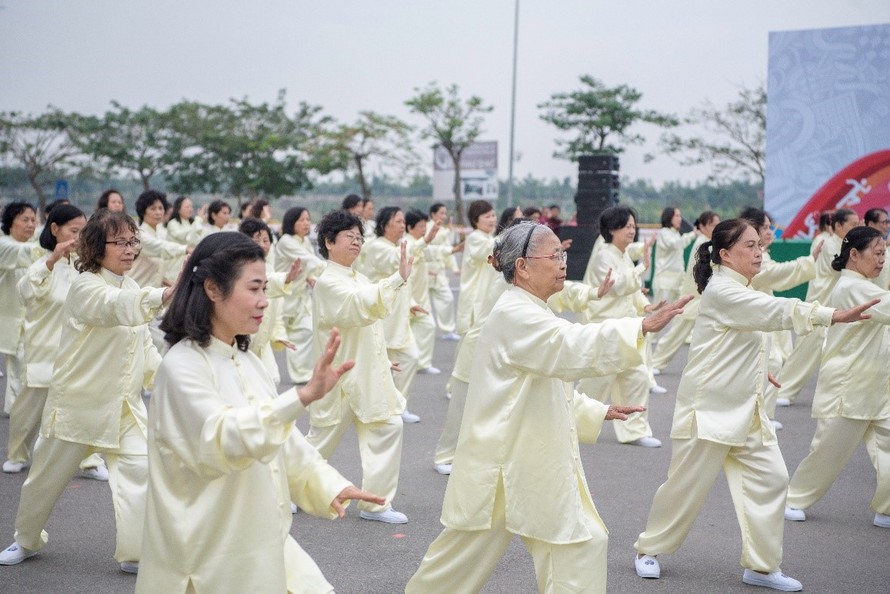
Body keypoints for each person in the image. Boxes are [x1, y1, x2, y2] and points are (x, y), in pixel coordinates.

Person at [406, 222, 689, 594]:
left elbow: (542, 381)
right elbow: (567, 346)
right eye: (554, 255)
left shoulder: (530, 309)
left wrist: (593, 409)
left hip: (520, 460)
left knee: (578, 542)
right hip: (504, 464)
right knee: (456, 563)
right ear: (522, 266)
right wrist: (639, 327)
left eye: (563, 254)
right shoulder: (514, 313)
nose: (562, 262)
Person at [633, 218, 874, 592]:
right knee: (684, 487)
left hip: (746, 409)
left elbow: (744, 337)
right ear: (725, 255)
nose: (759, 252)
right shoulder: (723, 290)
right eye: (750, 246)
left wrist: (763, 372)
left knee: (772, 480)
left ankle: (761, 566)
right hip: (710, 409)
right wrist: (832, 315)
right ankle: (649, 549)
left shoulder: (741, 287)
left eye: (759, 245)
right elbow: (772, 312)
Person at [135, 232, 385, 594]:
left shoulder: (246, 360)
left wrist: (329, 484)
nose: (264, 302)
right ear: (212, 289)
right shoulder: (182, 367)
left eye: (266, 289)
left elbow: (285, 441)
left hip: (264, 539)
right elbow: (220, 440)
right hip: (211, 552)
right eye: (254, 289)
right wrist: (300, 397)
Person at [0, 210, 177, 573]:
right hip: (78, 406)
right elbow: (113, 309)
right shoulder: (86, 285)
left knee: (140, 475)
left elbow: (145, 350)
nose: (130, 250)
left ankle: (135, 553)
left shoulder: (129, 287)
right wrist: (162, 295)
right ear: (97, 248)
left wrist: (173, 386)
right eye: (120, 242)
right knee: (44, 482)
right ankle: (26, 539)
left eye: (133, 241)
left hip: (124, 408)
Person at [306, 209, 412, 524]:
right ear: (328, 241)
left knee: (388, 426)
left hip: (365, 375)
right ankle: (285, 489)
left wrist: (382, 359)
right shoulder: (328, 281)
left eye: (359, 237)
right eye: (349, 237)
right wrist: (397, 278)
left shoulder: (359, 277)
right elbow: (357, 307)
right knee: (320, 442)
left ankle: (376, 505)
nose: (357, 242)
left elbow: (369, 324)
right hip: (338, 377)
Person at [785, 226, 890, 529]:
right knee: (827, 452)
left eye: (884, 254)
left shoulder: (865, 284)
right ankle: (794, 498)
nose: (882, 260)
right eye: (878, 253)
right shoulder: (851, 286)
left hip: (873, 385)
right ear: (854, 255)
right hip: (849, 385)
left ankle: (885, 507)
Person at [4, 205, 106, 479]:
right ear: (54, 229)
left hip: (78, 351)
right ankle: (17, 453)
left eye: (84, 231)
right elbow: (24, 293)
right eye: (75, 230)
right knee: (30, 409)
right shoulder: (42, 260)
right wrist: (51, 262)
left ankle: (90, 460)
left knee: (84, 406)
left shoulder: (86, 267)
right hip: (44, 349)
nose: (80, 236)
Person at [578, 205, 662, 447]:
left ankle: (634, 431)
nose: (632, 231)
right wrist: (642, 267)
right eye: (627, 226)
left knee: (636, 376)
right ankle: (573, 422)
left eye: (634, 226)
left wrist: (645, 306)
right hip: (605, 328)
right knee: (596, 381)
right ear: (612, 229)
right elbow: (617, 285)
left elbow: (631, 290)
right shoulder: (603, 253)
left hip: (626, 326)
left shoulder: (622, 253)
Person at [434, 200, 503, 475]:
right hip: (474, 310)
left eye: (493, 214)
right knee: (464, 370)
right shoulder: (477, 240)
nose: (491, 218)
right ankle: (445, 455)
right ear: (475, 220)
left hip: (486, 313)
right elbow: (493, 251)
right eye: (486, 215)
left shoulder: (489, 239)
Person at [741, 207, 821, 430]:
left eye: (769, 227)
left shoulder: (761, 254)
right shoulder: (751, 256)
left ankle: (761, 417)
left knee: (771, 362)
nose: (769, 232)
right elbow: (774, 274)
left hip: (765, 312)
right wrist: (809, 261)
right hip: (755, 313)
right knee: (769, 362)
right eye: (765, 227)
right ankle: (758, 418)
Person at [775, 208, 860, 407]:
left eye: (859, 224)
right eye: (854, 224)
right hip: (820, 306)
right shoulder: (830, 244)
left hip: (837, 309)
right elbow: (840, 267)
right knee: (805, 353)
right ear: (837, 225)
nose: (857, 228)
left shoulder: (843, 243)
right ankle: (783, 390)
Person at [359, 206, 437, 423]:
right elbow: (398, 260)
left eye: (404, 222)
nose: (403, 226)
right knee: (377, 367)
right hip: (382, 319)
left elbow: (402, 282)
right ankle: (373, 409)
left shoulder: (393, 245)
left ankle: (398, 407)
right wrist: (424, 241)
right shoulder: (377, 247)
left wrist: (411, 303)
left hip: (399, 321)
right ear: (385, 225)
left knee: (410, 358)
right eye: (399, 222)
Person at [651, 211, 720, 373]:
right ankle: (654, 362)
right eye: (713, 224)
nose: (717, 227)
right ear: (702, 227)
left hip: (696, 293)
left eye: (718, 223)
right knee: (676, 330)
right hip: (691, 295)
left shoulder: (707, 242)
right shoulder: (701, 243)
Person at [404, 209, 462, 375]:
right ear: (410, 228)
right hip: (407, 297)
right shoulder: (408, 244)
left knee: (426, 326)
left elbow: (432, 252)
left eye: (425, 226)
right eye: (421, 227)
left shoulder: (419, 244)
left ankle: (420, 363)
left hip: (418, 296)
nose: (424, 230)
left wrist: (453, 250)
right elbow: (419, 250)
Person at [274, 206, 325, 384]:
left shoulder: (304, 242)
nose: (306, 223)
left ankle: (303, 374)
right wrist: (332, 270)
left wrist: (311, 278)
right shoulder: (286, 241)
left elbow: (308, 267)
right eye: (301, 220)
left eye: (308, 219)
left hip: (300, 298)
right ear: (291, 222)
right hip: (282, 298)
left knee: (308, 332)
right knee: (268, 339)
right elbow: (308, 260)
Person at [0, 201, 40, 415]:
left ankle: (18, 407)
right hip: (10, 318)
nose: (30, 224)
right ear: (10, 222)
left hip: (32, 319)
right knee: (18, 365)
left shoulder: (33, 244)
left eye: (33, 220)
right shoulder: (4, 244)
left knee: (26, 365)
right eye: (24, 220)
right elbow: (26, 252)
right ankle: (16, 409)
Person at [128, 189, 188, 289]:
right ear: (143, 212)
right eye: (153, 209)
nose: (158, 212)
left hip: (153, 296)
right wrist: (186, 249)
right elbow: (161, 247)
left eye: (161, 208)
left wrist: (172, 286)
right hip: (136, 293)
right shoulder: (139, 235)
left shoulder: (160, 234)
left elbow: (157, 272)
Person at [426, 203, 461, 340]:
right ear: (433, 214)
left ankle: (447, 331)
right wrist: (448, 231)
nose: (444, 216)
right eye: (441, 213)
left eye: (445, 213)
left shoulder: (443, 230)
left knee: (447, 299)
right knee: (420, 302)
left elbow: (447, 250)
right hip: (424, 270)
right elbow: (432, 239)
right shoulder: (427, 227)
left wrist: (454, 268)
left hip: (438, 272)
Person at [652, 206, 697, 305]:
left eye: (680, 216)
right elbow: (675, 244)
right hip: (664, 284)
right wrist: (692, 234)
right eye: (677, 215)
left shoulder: (676, 234)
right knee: (661, 315)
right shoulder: (664, 233)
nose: (680, 219)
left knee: (674, 316)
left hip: (676, 282)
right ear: (669, 217)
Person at [864, 207, 890, 289]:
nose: (888, 226)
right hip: (872, 296)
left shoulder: (883, 243)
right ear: (871, 224)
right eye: (884, 222)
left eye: (888, 222)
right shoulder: (864, 246)